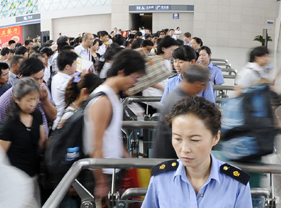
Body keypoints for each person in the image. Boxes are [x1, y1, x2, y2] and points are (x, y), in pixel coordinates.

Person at [85, 49, 145, 198]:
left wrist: (127, 158)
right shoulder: (103, 101)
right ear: (121, 72)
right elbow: (95, 145)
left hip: (113, 169)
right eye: (135, 78)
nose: (135, 83)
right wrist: (101, 182)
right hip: (104, 173)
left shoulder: (113, 96)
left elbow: (112, 134)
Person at [0, 79, 48, 208]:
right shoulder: (8, 125)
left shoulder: (36, 115)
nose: (33, 103)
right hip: (16, 181)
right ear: (16, 99)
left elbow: (42, 141)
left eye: (36, 99)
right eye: (29, 100)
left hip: (34, 175)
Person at [152, 64, 210, 160]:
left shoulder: (177, 95)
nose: (205, 88)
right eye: (204, 85)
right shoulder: (180, 103)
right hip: (170, 160)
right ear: (198, 84)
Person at [0, 57, 56, 131]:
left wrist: (45, 101)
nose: (39, 83)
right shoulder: (6, 100)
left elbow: (53, 116)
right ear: (22, 77)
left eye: (41, 78)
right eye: (35, 79)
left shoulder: (43, 88)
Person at [51, 50, 79, 123]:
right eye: (75, 64)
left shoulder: (56, 77)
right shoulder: (66, 82)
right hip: (64, 119)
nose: (77, 66)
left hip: (59, 116)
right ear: (67, 66)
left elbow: (74, 77)